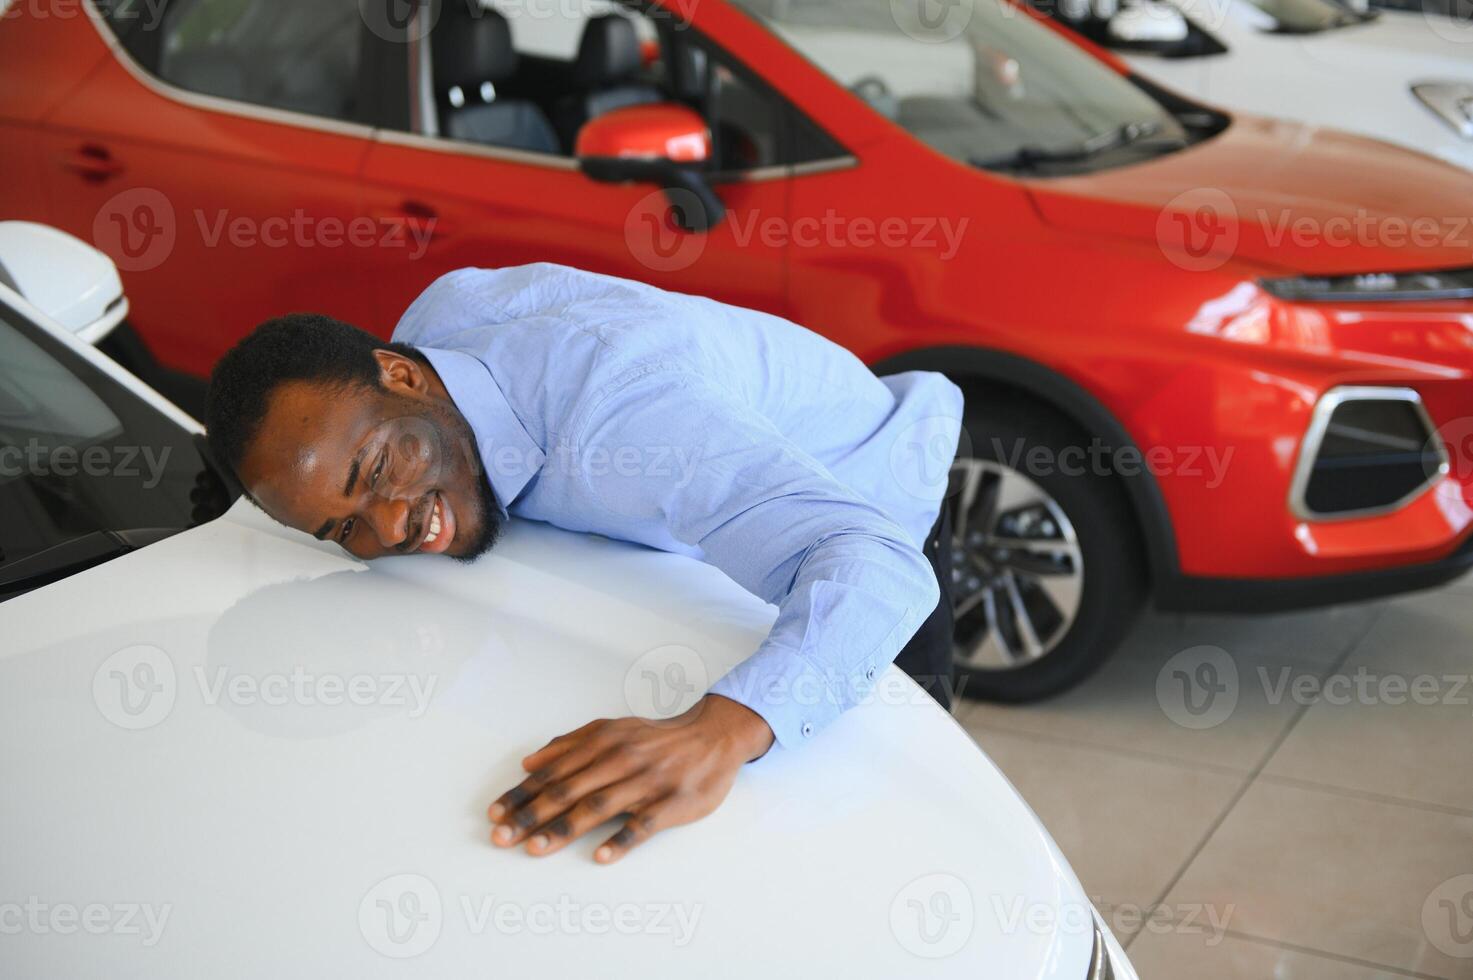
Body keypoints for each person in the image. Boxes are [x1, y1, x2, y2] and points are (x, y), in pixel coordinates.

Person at [205, 264, 964, 864]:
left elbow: (875, 563)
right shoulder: (431, 337)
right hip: (710, 510)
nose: (393, 525)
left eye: (375, 470)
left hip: (876, 510)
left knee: (885, 843)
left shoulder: (628, 417)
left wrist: (727, 727)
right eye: (343, 529)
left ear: (400, 374)